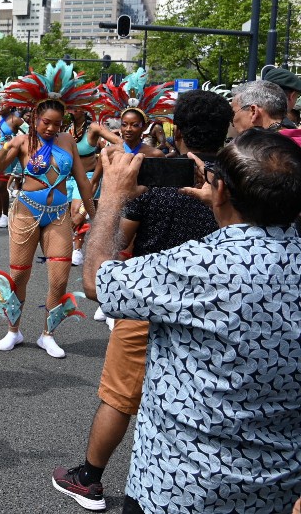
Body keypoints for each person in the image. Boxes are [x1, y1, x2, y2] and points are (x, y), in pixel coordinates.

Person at [81, 129, 301, 514]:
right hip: (277, 490)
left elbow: (96, 279)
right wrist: (224, 209)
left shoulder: (197, 264)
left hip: (178, 486)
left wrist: (113, 194)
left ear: (221, 192)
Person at [52, 89, 232, 511]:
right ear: (225, 132)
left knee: (119, 396)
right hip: (220, 307)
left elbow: (117, 245)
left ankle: (90, 477)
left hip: (149, 300)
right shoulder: (238, 184)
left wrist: (119, 199)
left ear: (178, 131)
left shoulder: (153, 179)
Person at [0, 60, 97, 358]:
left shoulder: (67, 142)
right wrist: (4, 151)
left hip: (58, 214)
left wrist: (93, 215)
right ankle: (14, 329)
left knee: (59, 278)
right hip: (26, 211)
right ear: (35, 117)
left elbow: (81, 181)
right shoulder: (22, 141)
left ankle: (48, 334)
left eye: (56, 124)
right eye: (46, 122)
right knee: (19, 276)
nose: (51, 128)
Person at [64, 108, 119, 266]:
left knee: (78, 212)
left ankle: (78, 250)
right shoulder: (66, 127)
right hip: (68, 177)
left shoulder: (93, 127)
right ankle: (101, 247)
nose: (71, 110)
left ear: (84, 109)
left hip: (88, 177)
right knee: (85, 215)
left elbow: (118, 142)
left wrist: (104, 157)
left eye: (76, 106)